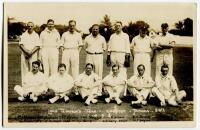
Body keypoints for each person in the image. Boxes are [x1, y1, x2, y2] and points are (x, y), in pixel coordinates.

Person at [84, 24, 107, 95]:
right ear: (91, 29)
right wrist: (88, 51)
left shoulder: (102, 38)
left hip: (98, 56)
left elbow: (104, 47)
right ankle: (89, 90)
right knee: (89, 73)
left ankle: (99, 91)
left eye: (96, 29)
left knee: (98, 73)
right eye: (94, 29)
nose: (95, 30)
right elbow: (85, 47)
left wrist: (100, 52)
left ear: (98, 30)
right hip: (90, 55)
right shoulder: (87, 37)